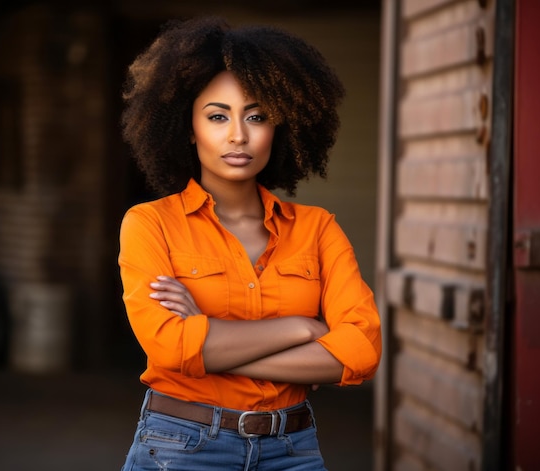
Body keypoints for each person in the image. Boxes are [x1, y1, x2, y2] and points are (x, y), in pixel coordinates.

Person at [118, 16, 382, 471]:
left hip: (293, 451)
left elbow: (361, 351)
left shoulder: (318, 229)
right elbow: (169, 348)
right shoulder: (150, 224)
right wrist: (304, 329)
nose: (238, 135)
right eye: (217, 116)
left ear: (280, 127)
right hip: (182, 448)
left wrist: (210, 343)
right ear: (188, 128)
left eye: (256, 116)